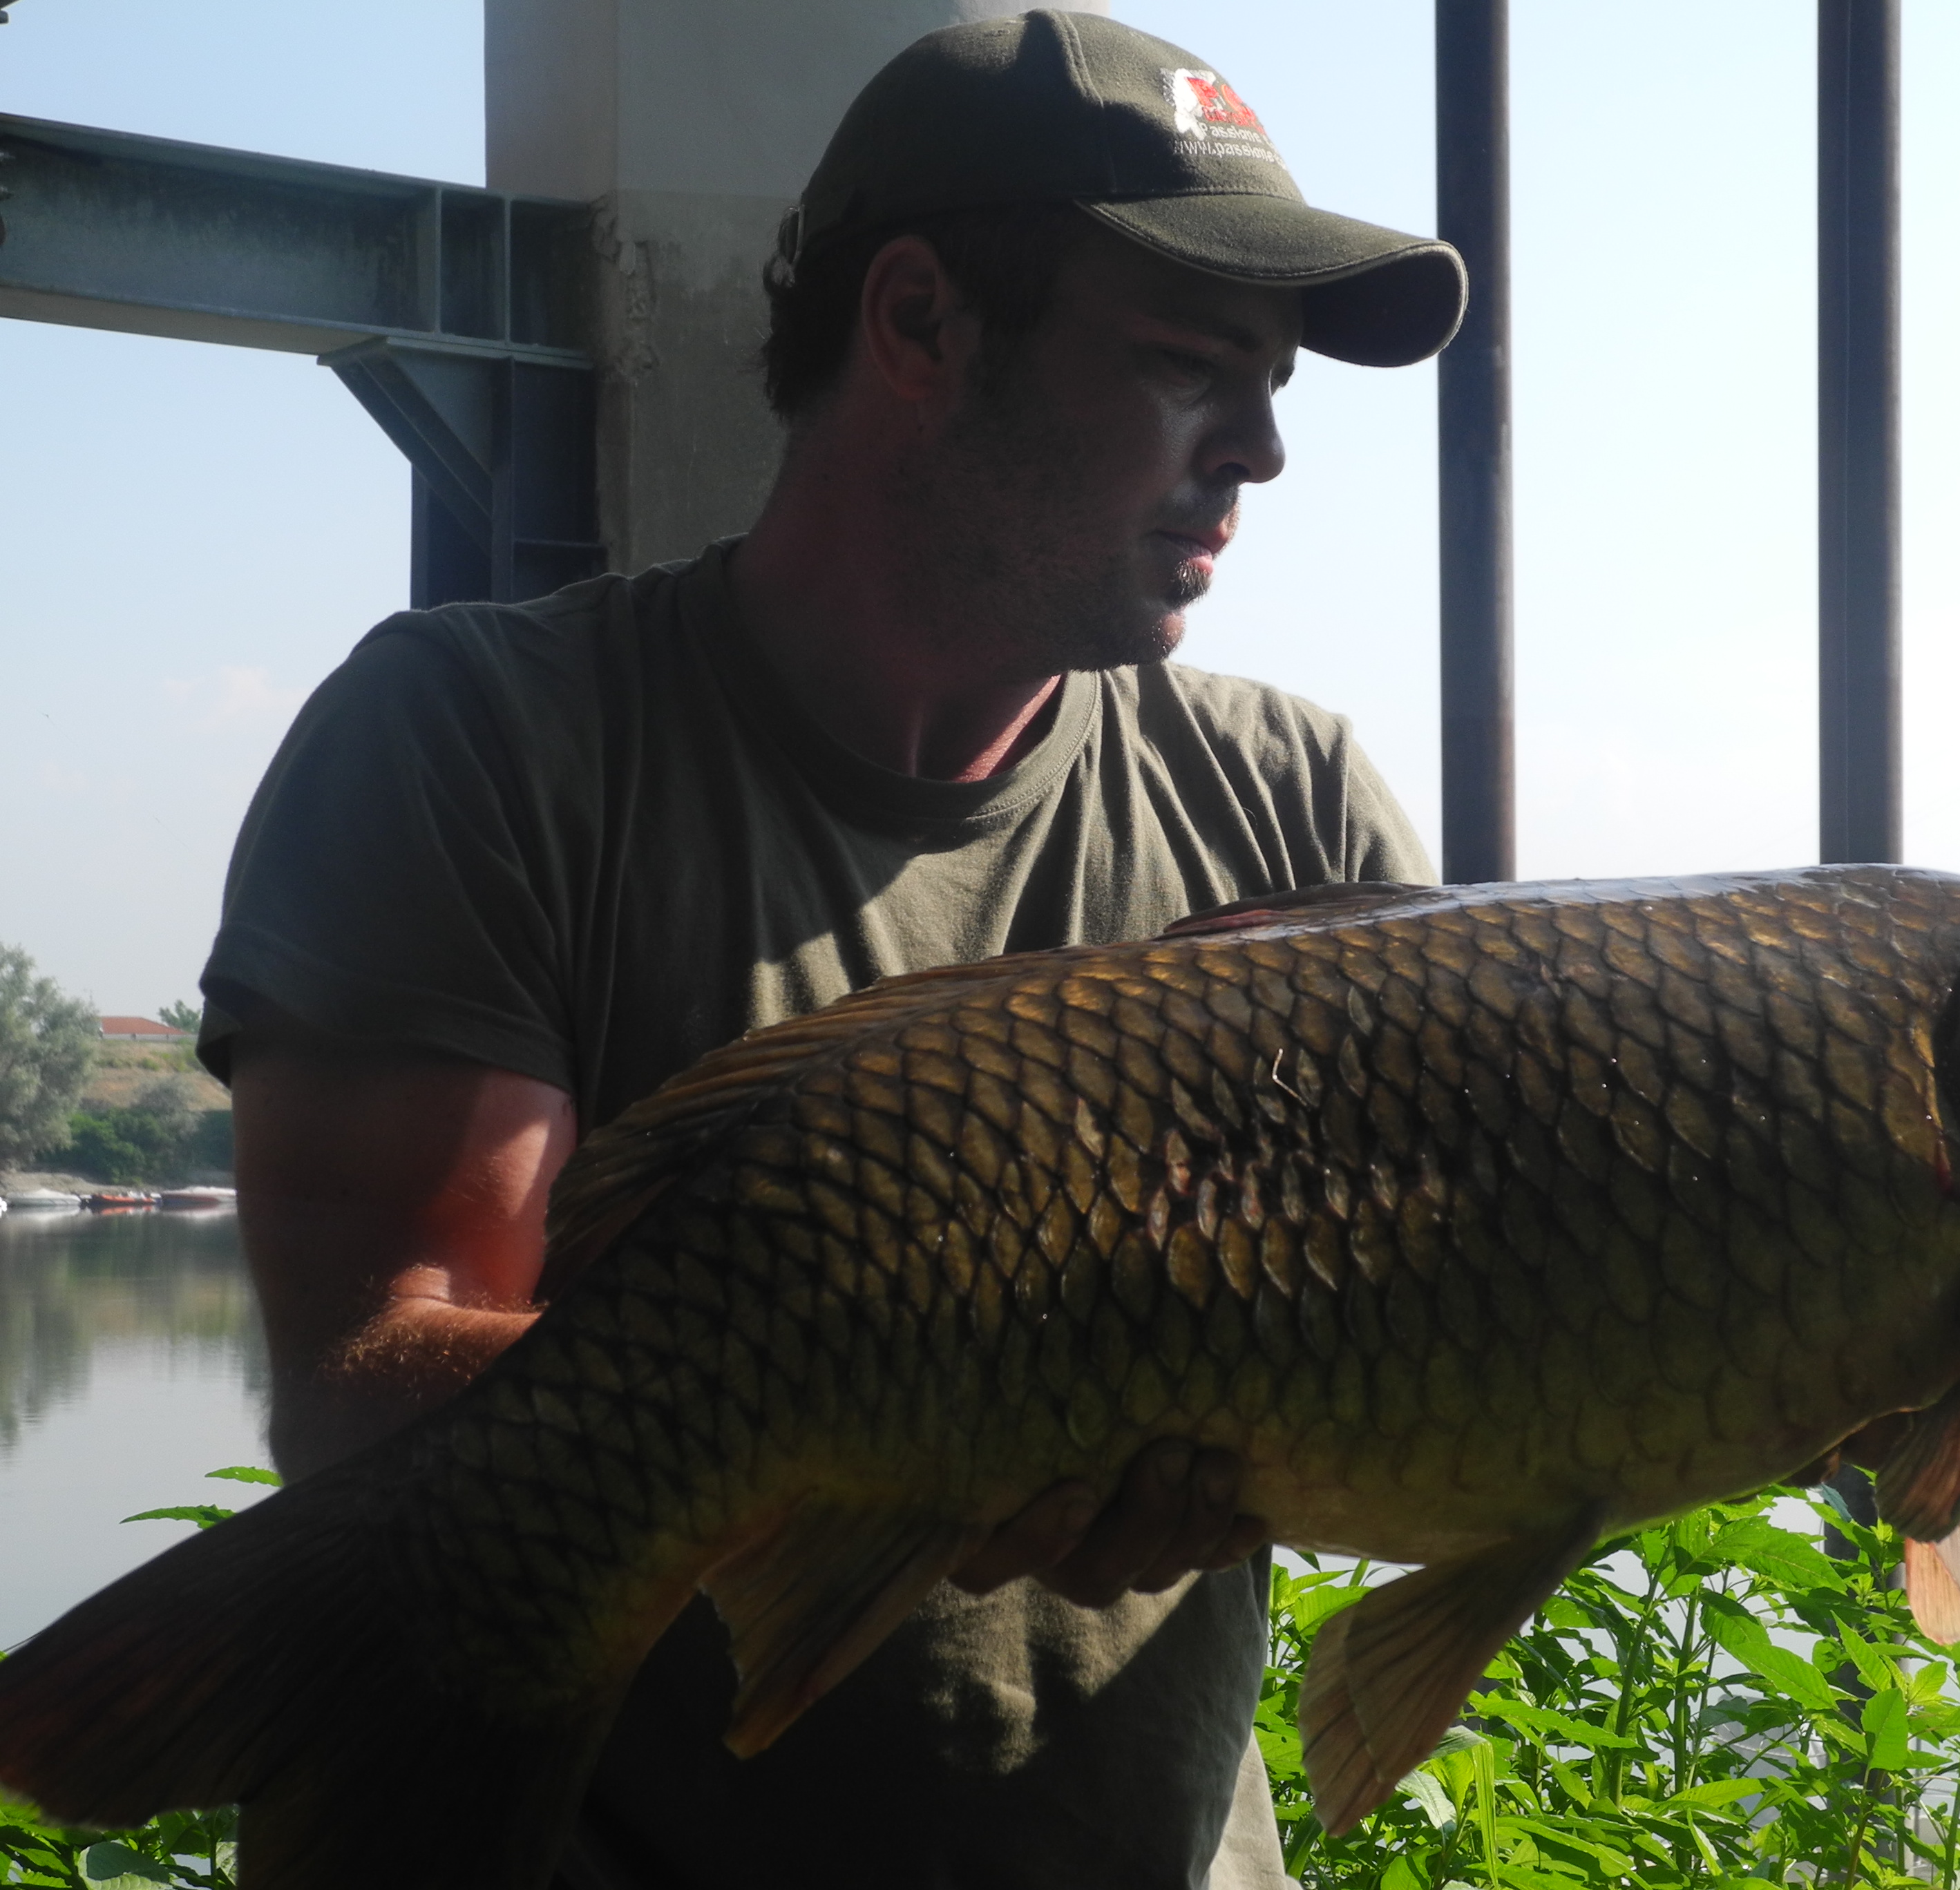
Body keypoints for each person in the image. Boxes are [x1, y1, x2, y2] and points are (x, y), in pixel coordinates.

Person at [198, 12, 1465, 1889]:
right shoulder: (482, 742)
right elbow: (373, 1381)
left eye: (1272, 386)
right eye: (1190, 365)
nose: (1263, 452)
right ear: (920, 323)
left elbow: (1428, 1356)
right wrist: (939, 1397)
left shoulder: (1298, 804)